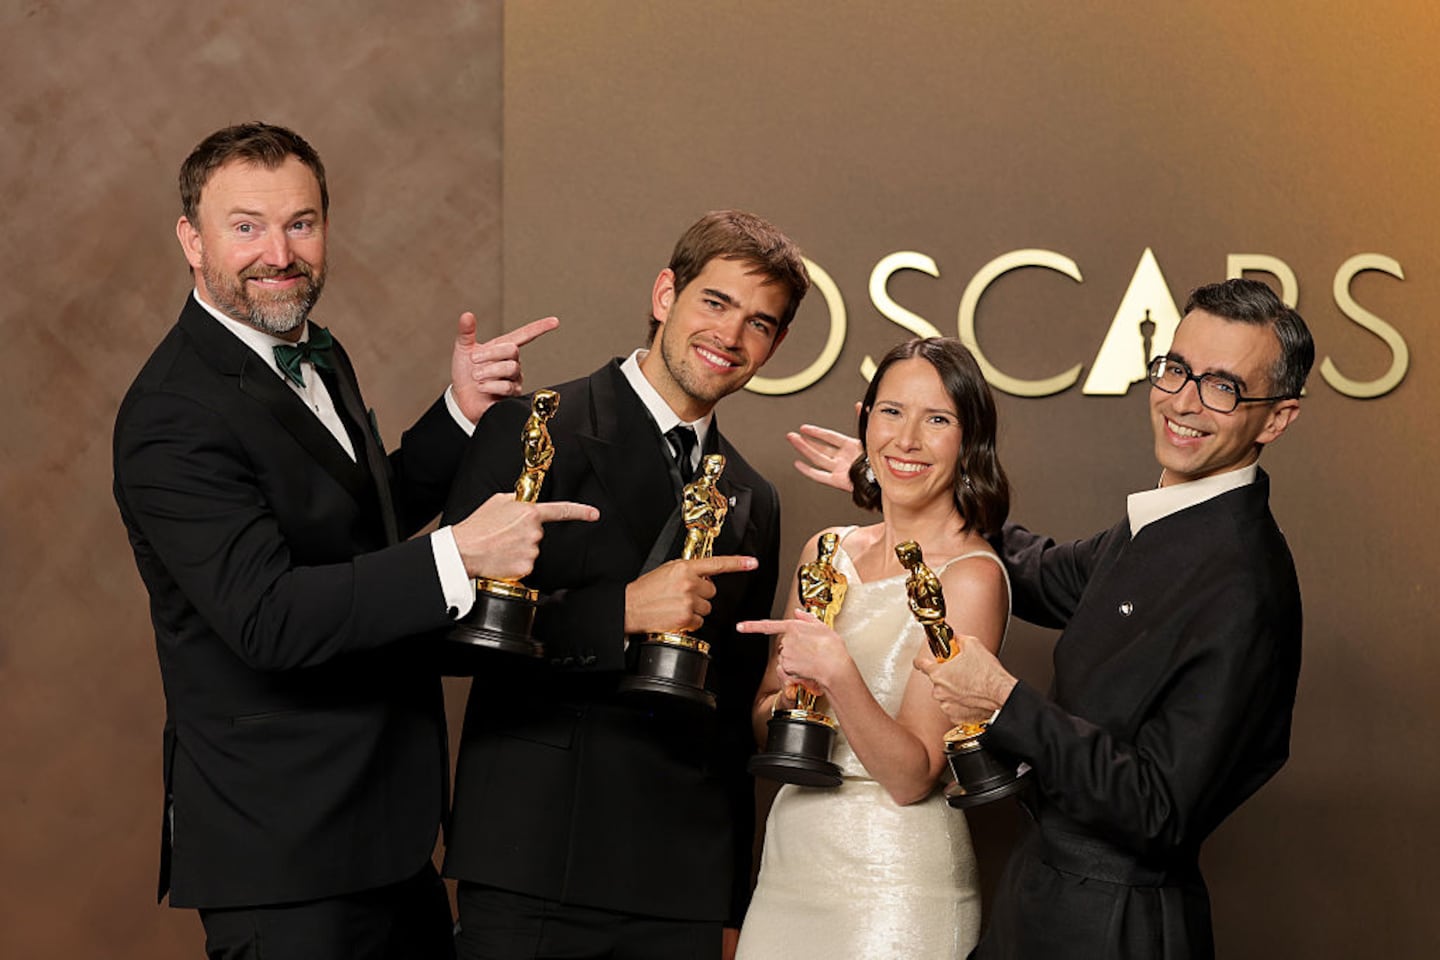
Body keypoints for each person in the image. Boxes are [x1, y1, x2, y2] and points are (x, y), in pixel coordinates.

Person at [112, 122, 596, 960]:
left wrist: (459, 414)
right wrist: (458, 555)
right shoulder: (171, 413)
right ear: (192, 239)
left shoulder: (314, 352)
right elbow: (267, 617)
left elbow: (352, 526)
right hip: (284, 857)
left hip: (384, 835)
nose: (279, 254)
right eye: (247, 226)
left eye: (300, 223)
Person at [796, 279, 1312, 958]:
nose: (1183, 401)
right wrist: (908, 482)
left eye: (1222, 386)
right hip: (1045, 897)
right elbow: (1040, 572)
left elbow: (1160, 809)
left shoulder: (1244, 582)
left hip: (1116, 927)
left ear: (1276, 419)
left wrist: (1005, 701)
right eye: (1176, 369)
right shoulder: (1167, 524)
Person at [440, 210, 810, 960]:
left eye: (759, 323)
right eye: (715, 302)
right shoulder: (533, 428)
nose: (730, 335)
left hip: (682, 883)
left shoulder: (754, 497)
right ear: (665, 293)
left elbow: (730, 710)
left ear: (773, 347)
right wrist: (621, 612)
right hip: (537, 862)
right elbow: (444, 634)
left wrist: (728, 900)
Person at [733, 338, 1012, 960]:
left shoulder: (970, 578)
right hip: (789, 869)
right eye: (891, 412)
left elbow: (913, 777)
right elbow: (765, 722)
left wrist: (838, 676)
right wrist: (793, 697)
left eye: (936, 419)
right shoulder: (825, 551)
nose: (906, 440)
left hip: (898, 885)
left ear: (969, 441)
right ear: (866, 422)